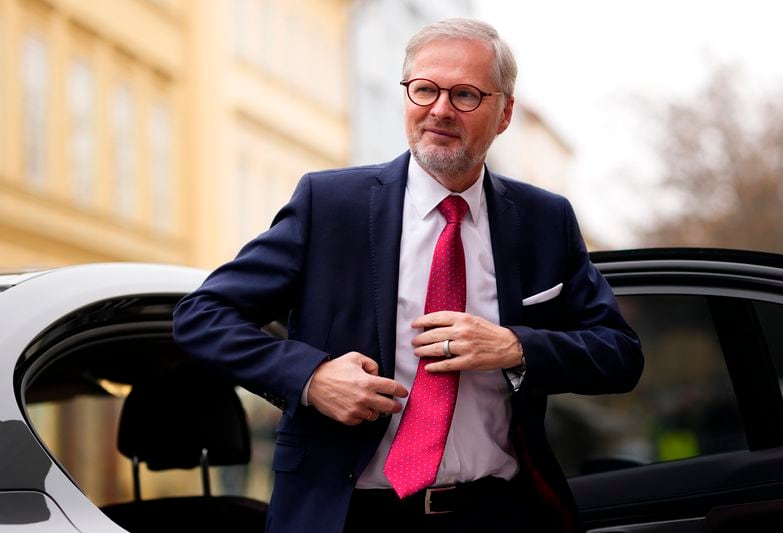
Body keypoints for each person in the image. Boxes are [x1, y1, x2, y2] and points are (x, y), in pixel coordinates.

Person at [173, 17, 643, 533]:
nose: (440, 110)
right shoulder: (330, 205)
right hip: (350, 517)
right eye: (424, 89)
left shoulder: (544, 220)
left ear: (504, 113)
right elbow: (202, 316)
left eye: (465, 95)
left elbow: (618, 355)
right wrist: (310, 377)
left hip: (498, 515)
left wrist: (515, 347)